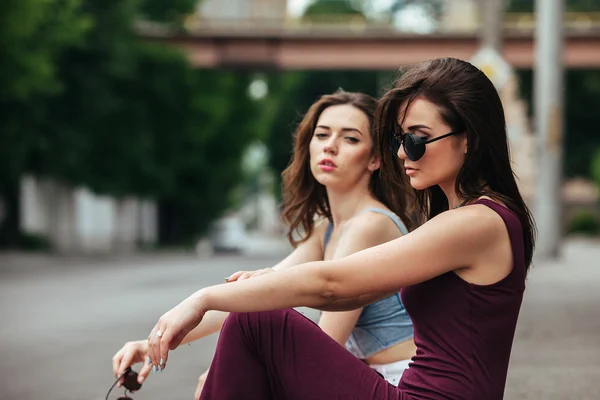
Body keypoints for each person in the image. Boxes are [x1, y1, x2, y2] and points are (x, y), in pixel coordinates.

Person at [144, 57, 536, 400]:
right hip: (408, 390)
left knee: (256, 322)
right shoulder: (461, 220)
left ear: (469, 139)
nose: (402, 153)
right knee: (257, 320)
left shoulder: (477, 222)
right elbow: (343, 294)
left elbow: (333, 284)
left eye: (417, 140)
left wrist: (204, 297)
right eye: (399, 139)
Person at [111, 90, 418, 398]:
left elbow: (326, 343)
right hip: (368, 376)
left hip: (395, 383)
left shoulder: (370, 225)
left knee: (238, 361)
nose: (331, 146)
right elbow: (252, 297)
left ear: (375, 158)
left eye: (350, 139)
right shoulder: (326, 230)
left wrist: (228, 370)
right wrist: (155, 341)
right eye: (322, 134)